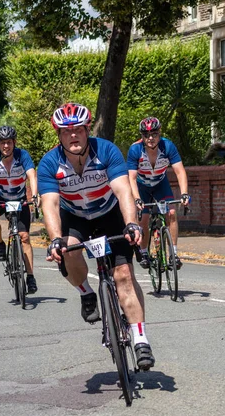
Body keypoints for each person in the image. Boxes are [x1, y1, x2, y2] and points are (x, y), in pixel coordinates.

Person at [37, 103, 155, 371]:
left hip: (109, 214)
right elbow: (50, 204)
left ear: (87, 129)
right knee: (68, 249)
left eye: (79, 129)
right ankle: (86, 292)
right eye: (67, 132)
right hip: (75, 217)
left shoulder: (107, 151)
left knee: (124, 275)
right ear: (59, 135)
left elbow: (123, 191)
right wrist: (55, 238)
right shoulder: (49, 163)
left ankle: (140, 339)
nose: (74, 135)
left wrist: (132, 224)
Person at [127, 117, 190, 270]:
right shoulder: (135, 150)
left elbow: (180, 172)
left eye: (154, 134)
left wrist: (184, 194)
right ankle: (144, 252)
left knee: (172, 213)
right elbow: (132, 178)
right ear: (142, 136)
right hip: (142, 186)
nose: (151, 138)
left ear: (159, 133)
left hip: (161, 184)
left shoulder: (167, 146)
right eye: (146, 135)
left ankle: (173, 254)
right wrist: (136, 199)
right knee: (144, 218)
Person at [0, 125, 39, 294]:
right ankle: (0, 243)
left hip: (19, 199)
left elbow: (32, 176)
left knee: (24, 237)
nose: (6, 146)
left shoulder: (22, 155)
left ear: (14, 142)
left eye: (8, 142)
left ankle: (30, 276)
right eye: (2, 143)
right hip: (0, 197)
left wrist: (35, 196)